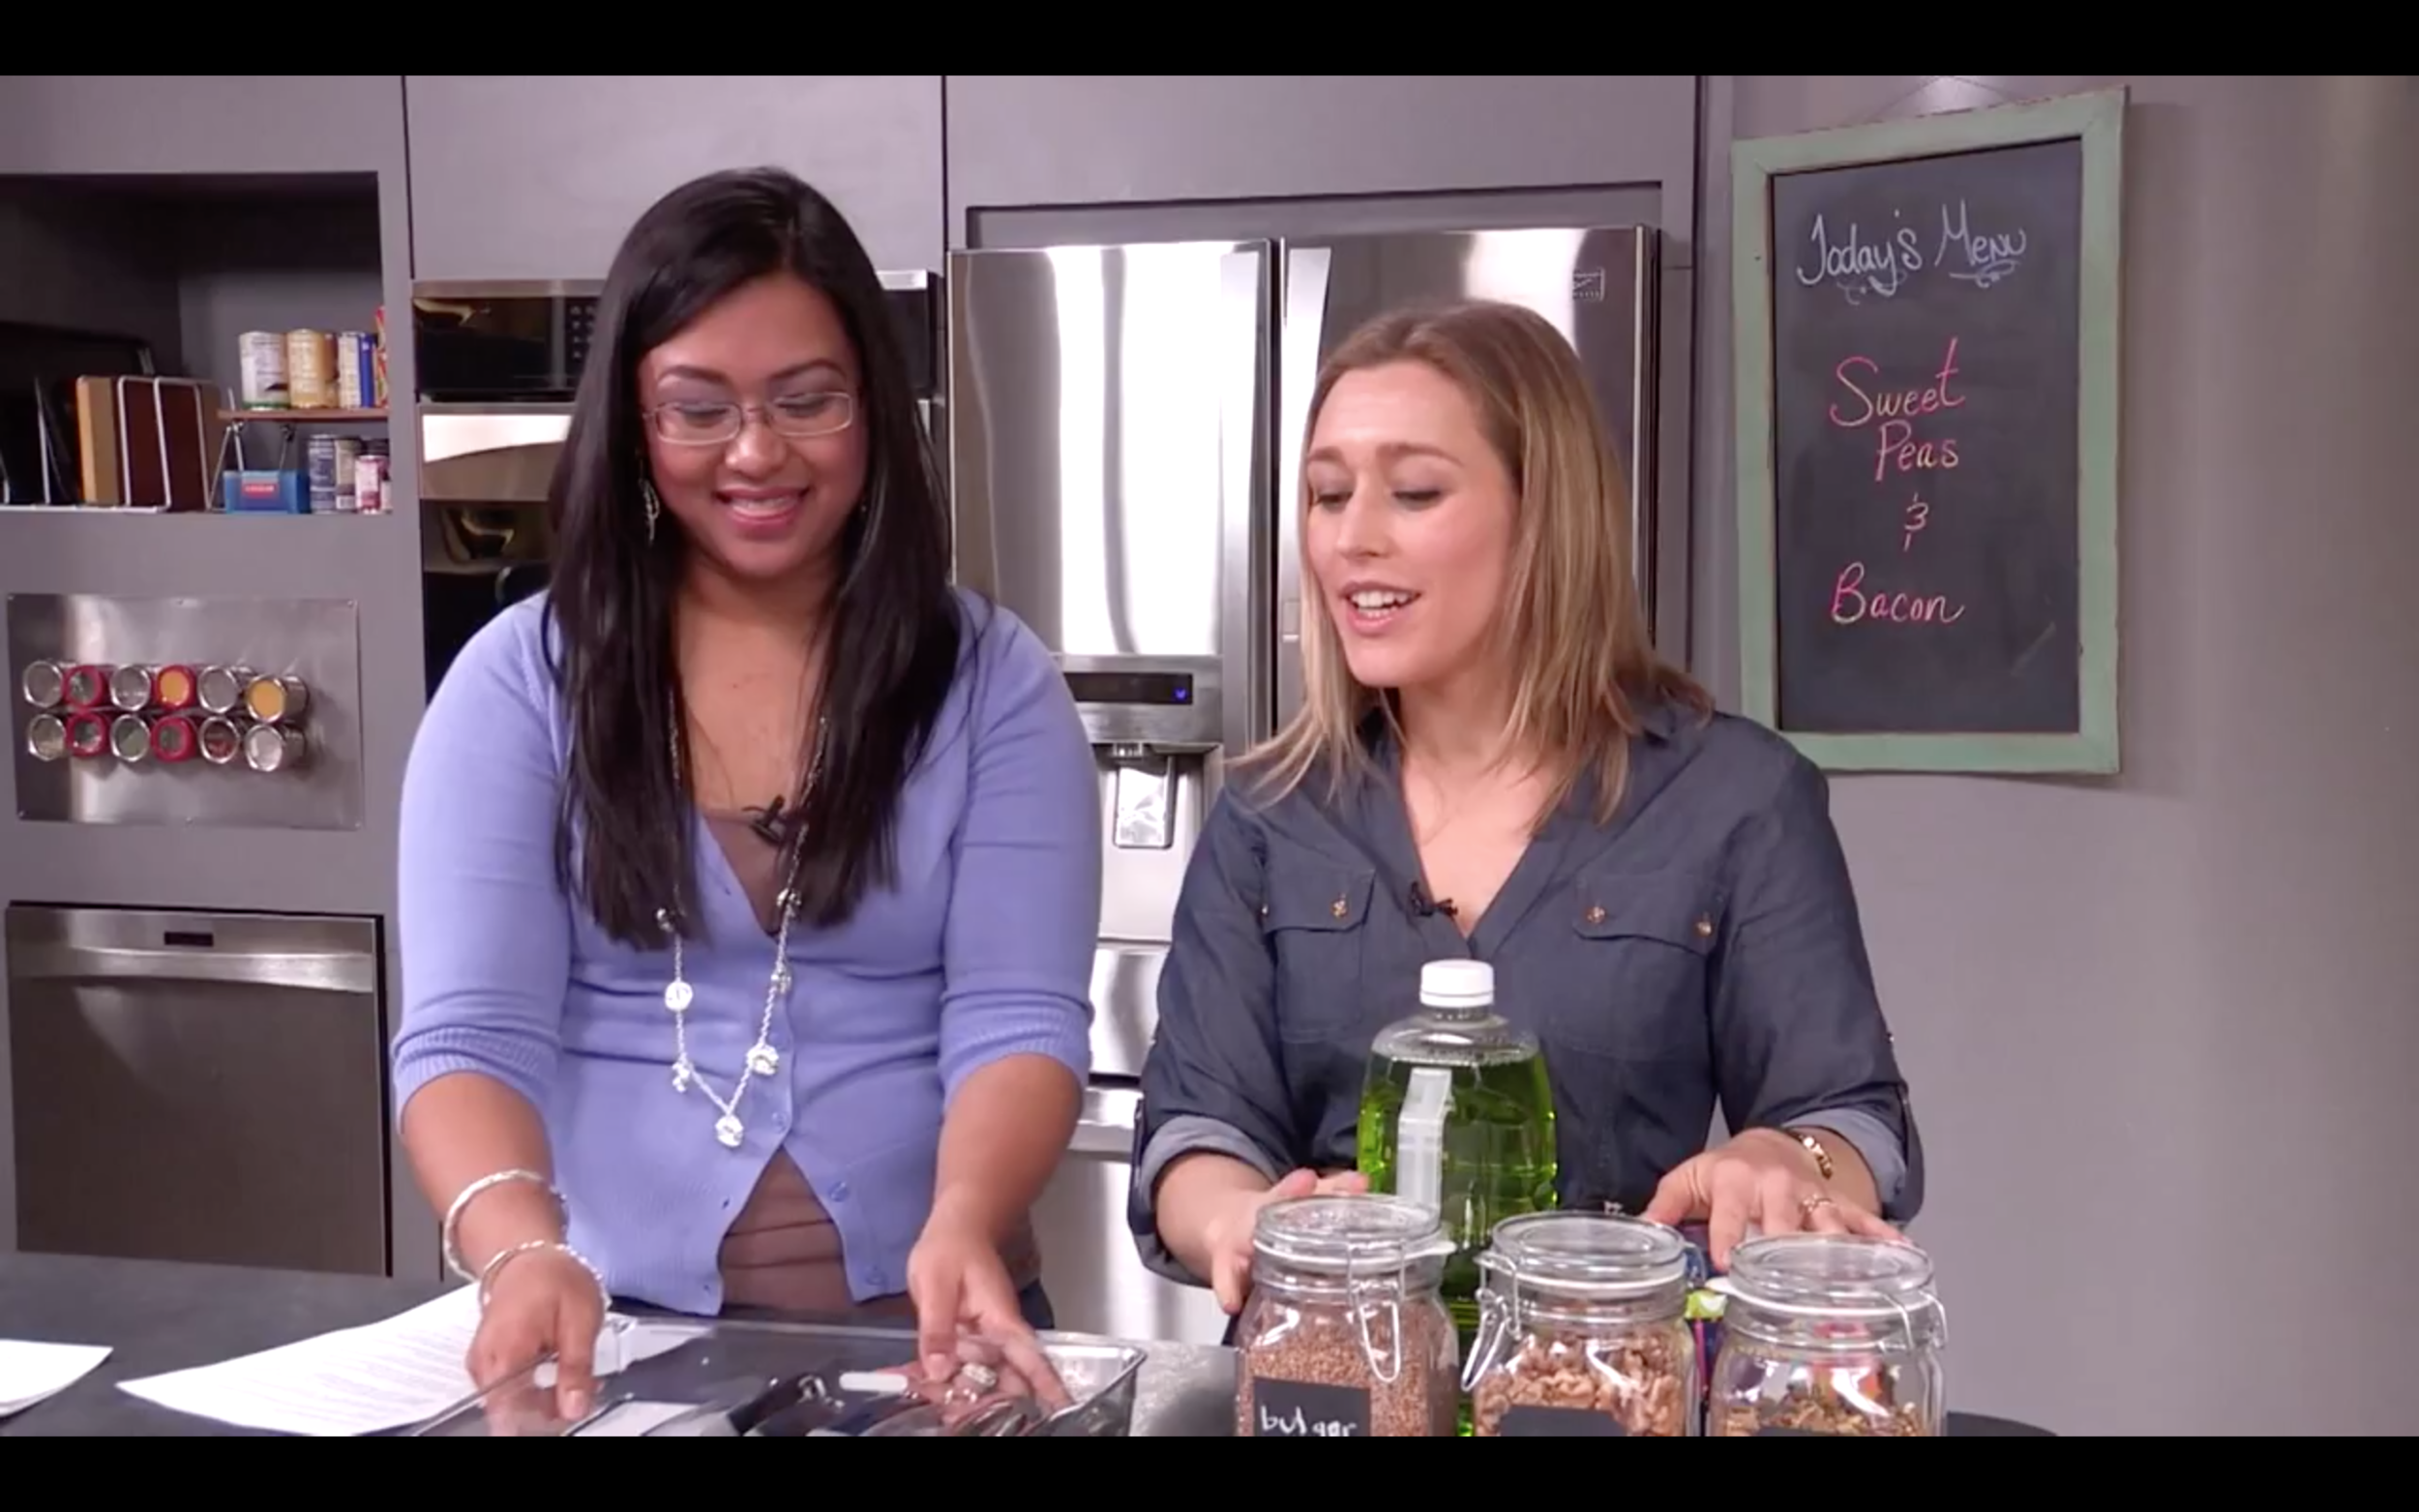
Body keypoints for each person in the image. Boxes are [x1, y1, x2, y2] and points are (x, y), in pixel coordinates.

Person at [393, 167, 1099, 1417]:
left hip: (931, 1338)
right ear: (634, 422)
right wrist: (519, 1248)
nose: (757, 450)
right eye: (698, 408)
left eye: (807, 399)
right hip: (609, 1337)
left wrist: (963, 1217)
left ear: (873, 405)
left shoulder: (992, 681)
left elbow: (1016, 1018)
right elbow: (467, 1038)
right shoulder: (519, 683)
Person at [1132, 299, 1923, 1313]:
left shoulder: (1738, 798)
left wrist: (1782, 1159)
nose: (1352, 539)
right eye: (1328, 496)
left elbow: (1852, 1122)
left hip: (1608, 1372)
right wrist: (1236, 1219)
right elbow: (1197, 1129)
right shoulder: (1270, 814)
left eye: (1414, 492)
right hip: (1330, 1375)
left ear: (1544, 515)